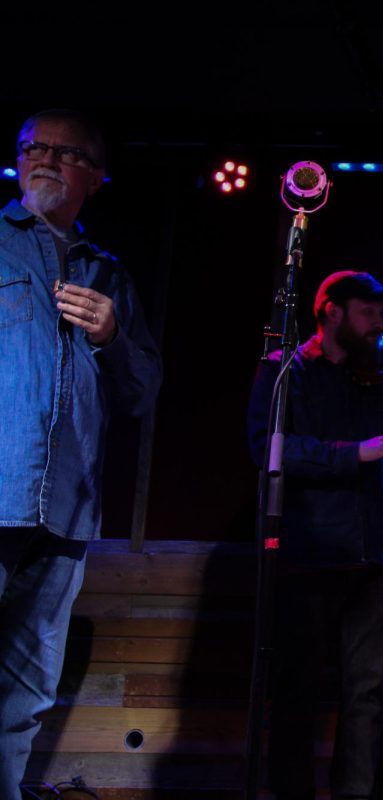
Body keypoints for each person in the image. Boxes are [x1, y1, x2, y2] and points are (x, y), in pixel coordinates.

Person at [0, 109, 162, 799]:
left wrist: (114, 335)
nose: (42, 159)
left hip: (66, 512)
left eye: (63, 153)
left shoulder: (109, 273)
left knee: (27, 690)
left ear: (94, 177)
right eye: (32, 147)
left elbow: (141, 392)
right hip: (1, 489)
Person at [247, 270, 383, 800]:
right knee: (297, 693)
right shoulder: (285, 373)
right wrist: (353, 453)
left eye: (380, 313)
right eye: (367, 312)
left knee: (366, 694)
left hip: (370, 560)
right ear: (331, 312)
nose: (378, 324)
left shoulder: (378, 378)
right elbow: (270, 451)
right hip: (308, 558)